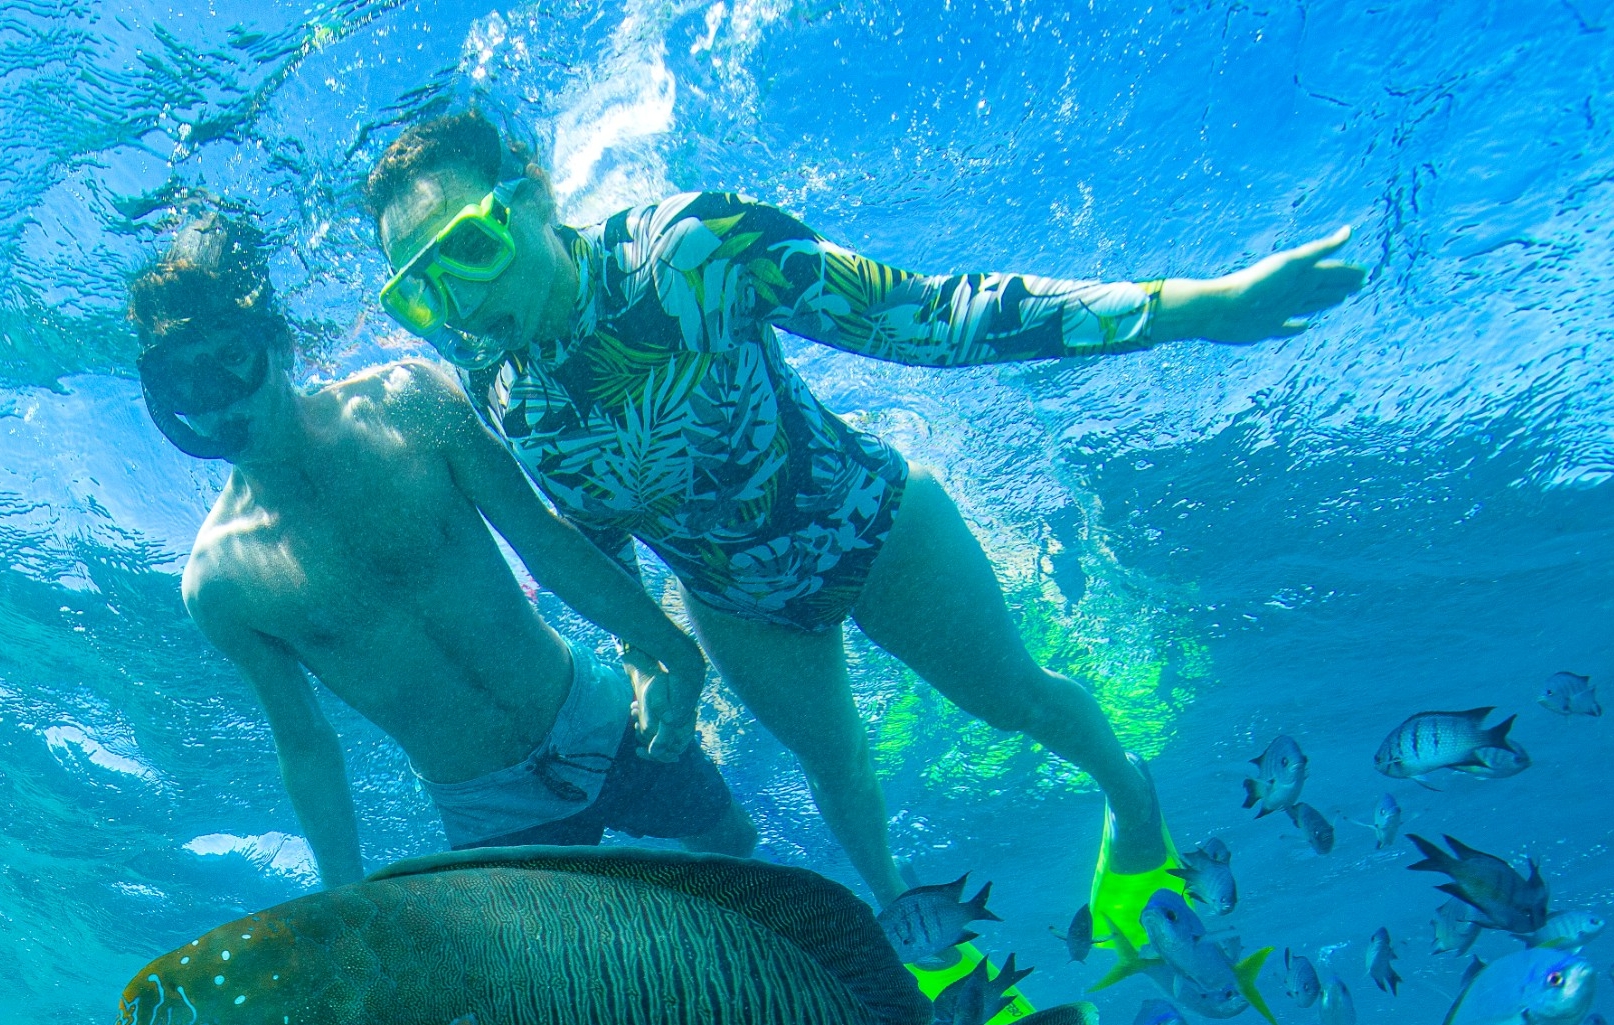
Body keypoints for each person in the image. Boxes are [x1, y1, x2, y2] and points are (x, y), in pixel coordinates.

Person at [360, 113, 1365, 941]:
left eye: (471, 249)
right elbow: (593, 528)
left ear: (530, 194)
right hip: (736, 606)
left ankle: (1132, 799)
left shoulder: (691, 253)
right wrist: (649, 656)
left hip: (874, 527)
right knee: (836, 773)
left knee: (1014, 698)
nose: (461, 300)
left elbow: (930, 315)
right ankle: (912, 933)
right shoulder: (500, 389)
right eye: (420, 289)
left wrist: (1193, 307)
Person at [127, 208, 755, 886]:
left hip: (597, 717)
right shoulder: (220, 581)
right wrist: (345, 893)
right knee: (571, 985)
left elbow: (547, 543)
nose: (219, 403)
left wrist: (673, 651)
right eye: (188, 381)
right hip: (489, 811)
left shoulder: (408, 401)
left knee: (736, 856)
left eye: (230, 359)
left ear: (277, 343)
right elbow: (305, 744)